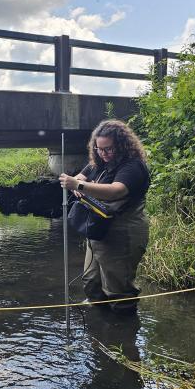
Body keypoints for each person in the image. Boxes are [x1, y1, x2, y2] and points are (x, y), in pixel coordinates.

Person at [59, 119, 150, 313]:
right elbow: (81, 177)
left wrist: (79, 186)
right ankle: (99, 331)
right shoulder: (98, 163)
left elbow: (116, 190)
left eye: (109, 149)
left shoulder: (133, 166)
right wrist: (75, 181)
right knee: (91, 283)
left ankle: (122, 336)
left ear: (122, 145)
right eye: (99, 149)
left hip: (123, 233)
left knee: (118, 290)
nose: (104, 154)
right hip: (99, 231)